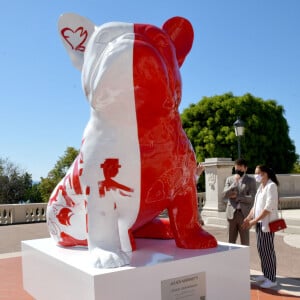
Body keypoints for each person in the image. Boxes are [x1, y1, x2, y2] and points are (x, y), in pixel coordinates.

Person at [242, 165, 279, 288]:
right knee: (261, 249)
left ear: (264, 174)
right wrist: (249, 217)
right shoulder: (261, 187)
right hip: (259, 224)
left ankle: (272, 278)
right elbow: (255, 206)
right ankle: (266, 274)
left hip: (267, 224)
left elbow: (268, 208)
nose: (255, 175)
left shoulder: (271, 186)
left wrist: (254, 221)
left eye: (257, 173)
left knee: (268, 250)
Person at [222, 158, 256, 245]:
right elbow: (224, 194)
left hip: (244, 215)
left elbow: (252, 198)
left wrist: (237, 197)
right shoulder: (229, 179)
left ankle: (243, 258)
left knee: (245, 242)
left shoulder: (251, 180)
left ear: (245, 168)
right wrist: (235, 183)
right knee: (230, 241)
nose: (238, 171)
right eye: (236, 169)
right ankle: (231, 258)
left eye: (240, 169)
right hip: (231, 214)